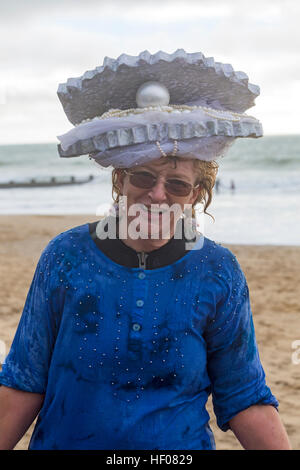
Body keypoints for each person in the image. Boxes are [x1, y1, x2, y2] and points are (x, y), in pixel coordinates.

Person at [0, 50, 291, 450]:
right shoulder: (66, 256)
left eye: (177, 184)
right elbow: (24, 380)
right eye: (143, 176)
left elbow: (243, 395)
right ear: (119, 180)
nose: (157, 194)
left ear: (196, 195)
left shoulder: (217, 270)